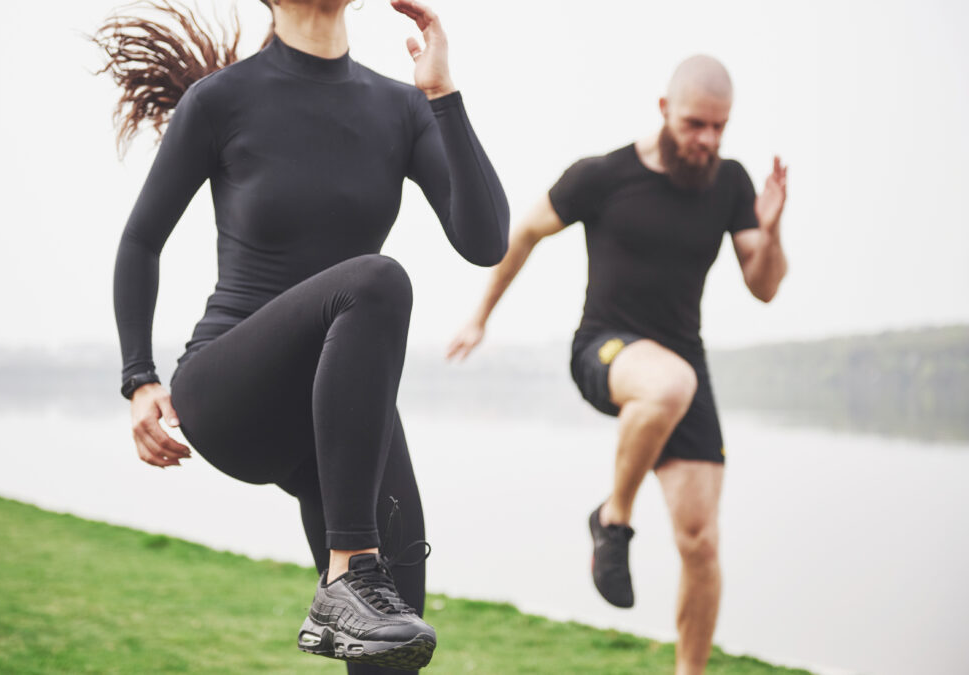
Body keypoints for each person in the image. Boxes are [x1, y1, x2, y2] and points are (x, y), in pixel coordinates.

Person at [97, 0, 509, 671]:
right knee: (376, 281)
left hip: (338, 415)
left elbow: (485, 240)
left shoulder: (400, 107)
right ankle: (347, 571)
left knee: (396, 642)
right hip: (230, 389)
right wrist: (139, 377)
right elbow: (141, 241)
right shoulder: (220, 101)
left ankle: (356, 580)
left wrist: (441, 94)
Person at [447, 55, 787, 675]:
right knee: (668, 383)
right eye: (695, 124)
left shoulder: (731, 183)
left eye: (720, 127)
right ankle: (614, 519)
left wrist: (771, 231)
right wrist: (480, 316)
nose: (708, 140)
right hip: (604, 349)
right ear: (664, 109)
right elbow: (522, 233)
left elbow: (763, 286)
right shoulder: (603, 176)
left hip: (684, 367)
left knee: (701, 541)